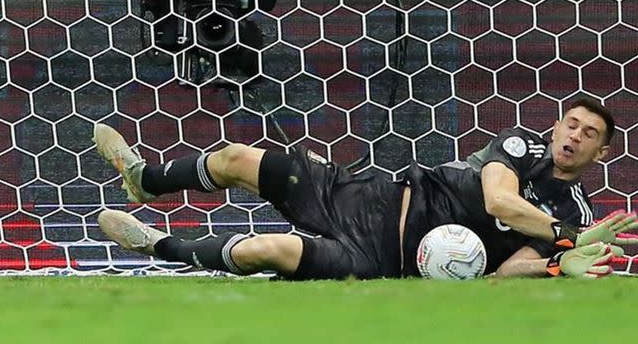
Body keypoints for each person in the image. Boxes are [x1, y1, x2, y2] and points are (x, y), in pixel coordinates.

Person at [94, 98, 637, 279]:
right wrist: (564, 237)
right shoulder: (523, 146)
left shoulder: (576, 214)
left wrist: (549, 262)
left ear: (601, 153)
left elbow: (506, 268)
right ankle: (145, 181)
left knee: (268, 250)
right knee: (238, 158)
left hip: (380, 256)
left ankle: (154, 245)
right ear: (557, 126)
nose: (574, 136)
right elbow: (498, 200)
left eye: (589, 134)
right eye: (571, 123)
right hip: (370, 195)